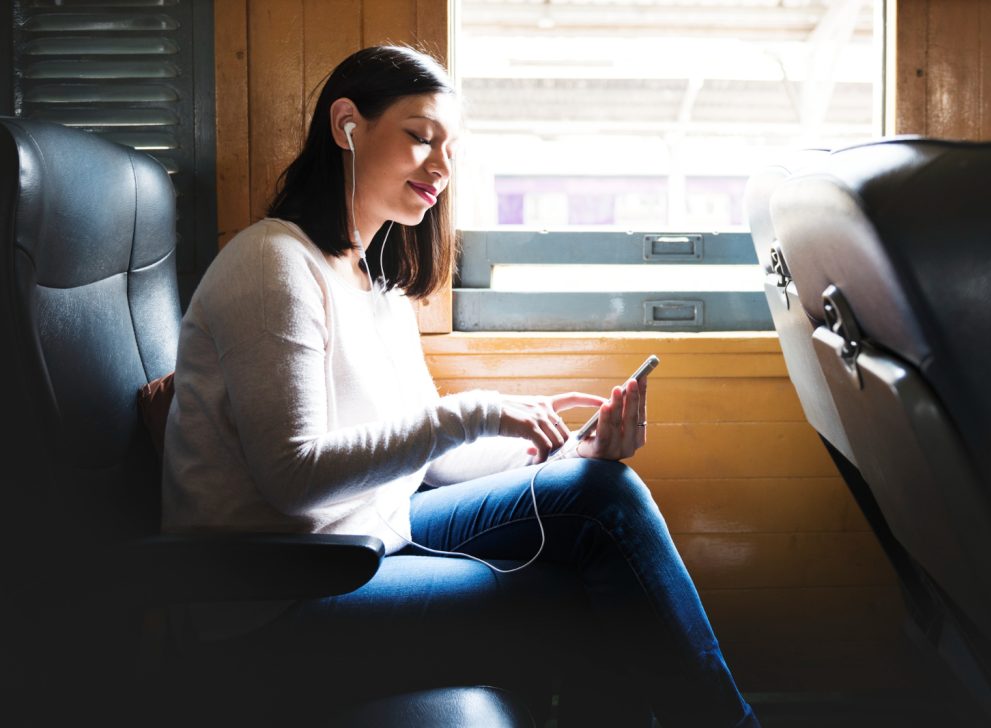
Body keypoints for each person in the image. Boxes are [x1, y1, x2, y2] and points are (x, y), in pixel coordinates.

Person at [162, 44, 759, 728]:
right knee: (583, 599)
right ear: (347, 125)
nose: (443, 167)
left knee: (600, 493)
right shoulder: (271, 264)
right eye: (420, 138)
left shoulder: (373, 279)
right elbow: (293, 477)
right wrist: (472, 415)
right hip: (278, 599)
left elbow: (430, 458)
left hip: (368, 538)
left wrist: (565, 454)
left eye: (451, 149)